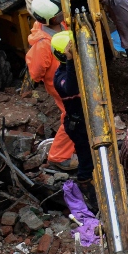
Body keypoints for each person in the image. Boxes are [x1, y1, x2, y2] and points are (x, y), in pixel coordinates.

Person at [25, 0, 77, 171]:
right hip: (61, 84)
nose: (64, 13)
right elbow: (36, 71)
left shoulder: (59, 25)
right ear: (52, 18)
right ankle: (58, 156)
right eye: (60, 12)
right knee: (72, 116)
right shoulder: (42, 45)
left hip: (70, 76)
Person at [50, 31, 94, 206]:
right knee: (85, 156)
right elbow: (71, 87)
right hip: (77, 124)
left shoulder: (77, 67)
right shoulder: (60, 77)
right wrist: (70, 61)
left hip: (85, 119)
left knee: (90, 152)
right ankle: (84, 183)